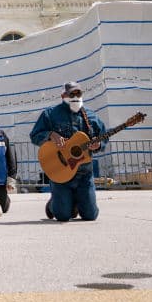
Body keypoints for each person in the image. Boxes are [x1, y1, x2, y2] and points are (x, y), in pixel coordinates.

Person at [30, 82, 107, 222]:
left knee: (91, 216)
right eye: (72, 94)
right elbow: (34, 135)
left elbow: (103, 136)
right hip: (61, 174)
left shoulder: (91, 116)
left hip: (84, 173)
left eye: (79, 93)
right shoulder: (50, 114)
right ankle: (53, 205)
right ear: (63, 96)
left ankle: (76, 201)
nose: (76, 96)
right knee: (63, 216)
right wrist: (50, 135)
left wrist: (99, 143)